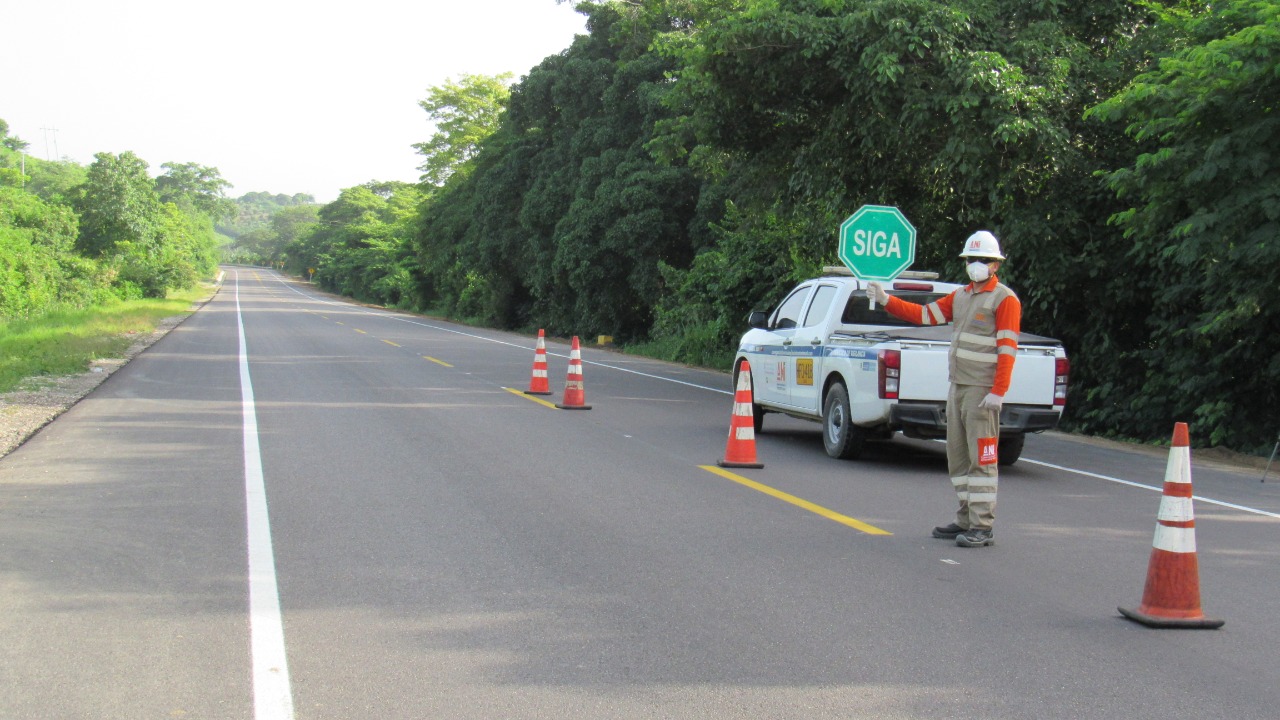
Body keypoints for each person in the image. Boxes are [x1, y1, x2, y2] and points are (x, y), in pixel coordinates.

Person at [867, 230, 1021, 548]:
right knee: (958, 457)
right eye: (972, 259)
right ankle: (965, 519)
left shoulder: (1004, 299)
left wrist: (999, 390)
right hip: (958, 387)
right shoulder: (961, 296)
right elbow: (924, 315)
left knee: (982, 459)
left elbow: (1007, 348)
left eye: (984, 260)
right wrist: (885, 300)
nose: (977, 264)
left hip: (982, 390)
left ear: (995, 266)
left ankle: (982, 526)